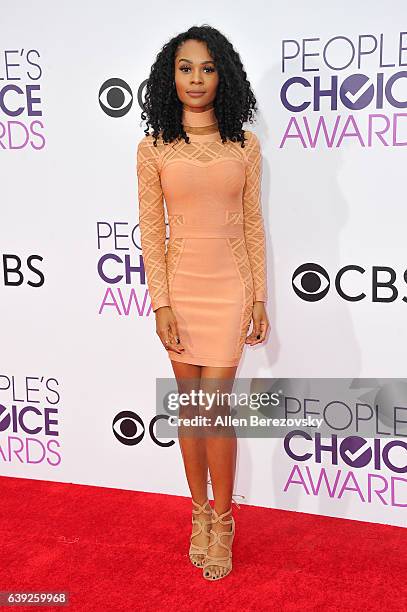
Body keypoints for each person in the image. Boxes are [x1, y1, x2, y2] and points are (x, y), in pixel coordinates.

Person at [137, 24, 269, 581]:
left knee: (215, 408)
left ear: (224, 76)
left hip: (230, 286)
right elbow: (151, 231)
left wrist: (260, 295)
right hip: (182, 292)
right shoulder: (153, 148)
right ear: (171, 76)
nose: (196, 78)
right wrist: (161, 302)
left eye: (208, 68)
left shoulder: (244, 144)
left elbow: (254, 224)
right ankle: (199, 514)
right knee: (191, 410)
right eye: (186, 68)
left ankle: (225, 518)